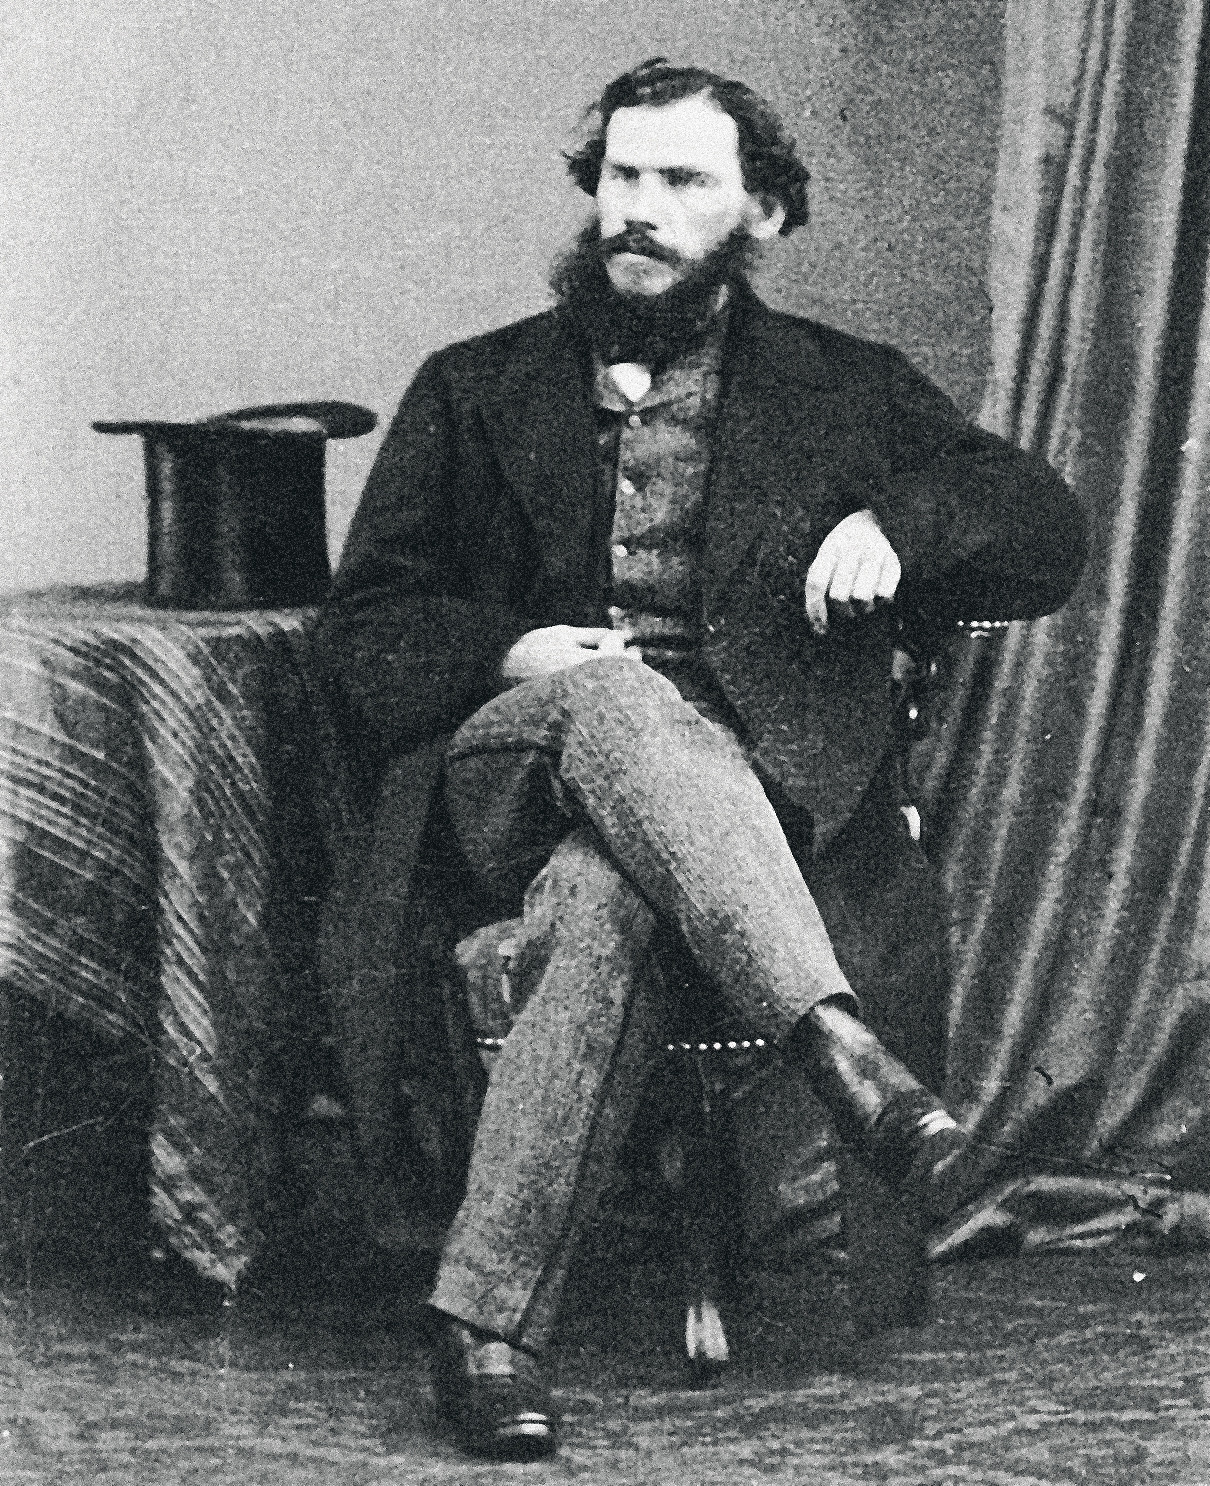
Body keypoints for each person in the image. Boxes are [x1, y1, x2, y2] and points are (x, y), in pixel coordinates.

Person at [315, 58, 1087, 1460]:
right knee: (615, 702)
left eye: (683, 181)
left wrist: (904, 523)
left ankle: (486, 1330)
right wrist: (513, 651)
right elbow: (361, 633)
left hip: (751, 803)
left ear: (762, 214)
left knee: (611, 892)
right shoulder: (475, 387)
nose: (641, 208)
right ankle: (835, 1041)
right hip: (514, 767)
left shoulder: (841, 391)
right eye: (622, 174)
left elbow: (1039, 524)